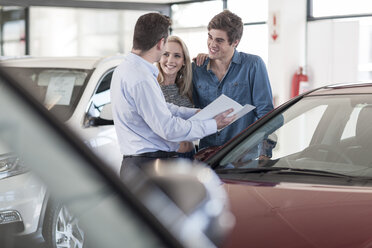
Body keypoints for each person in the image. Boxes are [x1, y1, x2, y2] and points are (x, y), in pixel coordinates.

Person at [110, 13, 235, 179]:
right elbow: (168, 129)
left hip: (141, 165)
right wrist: (213, 125)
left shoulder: (124, 69)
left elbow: (161, 107)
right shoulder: (141, 79)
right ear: (161, 42)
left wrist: (193, 113)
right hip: (148, 167)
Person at [193, 10, 274, 157]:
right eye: (210, 37)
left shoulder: (253, 65)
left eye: (219, 40)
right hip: (207, 155)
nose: (212, 44)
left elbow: (266, 113)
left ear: (235, 42)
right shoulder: (197, 69)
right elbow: (192, 111)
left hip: (243, 157)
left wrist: (265, 153)